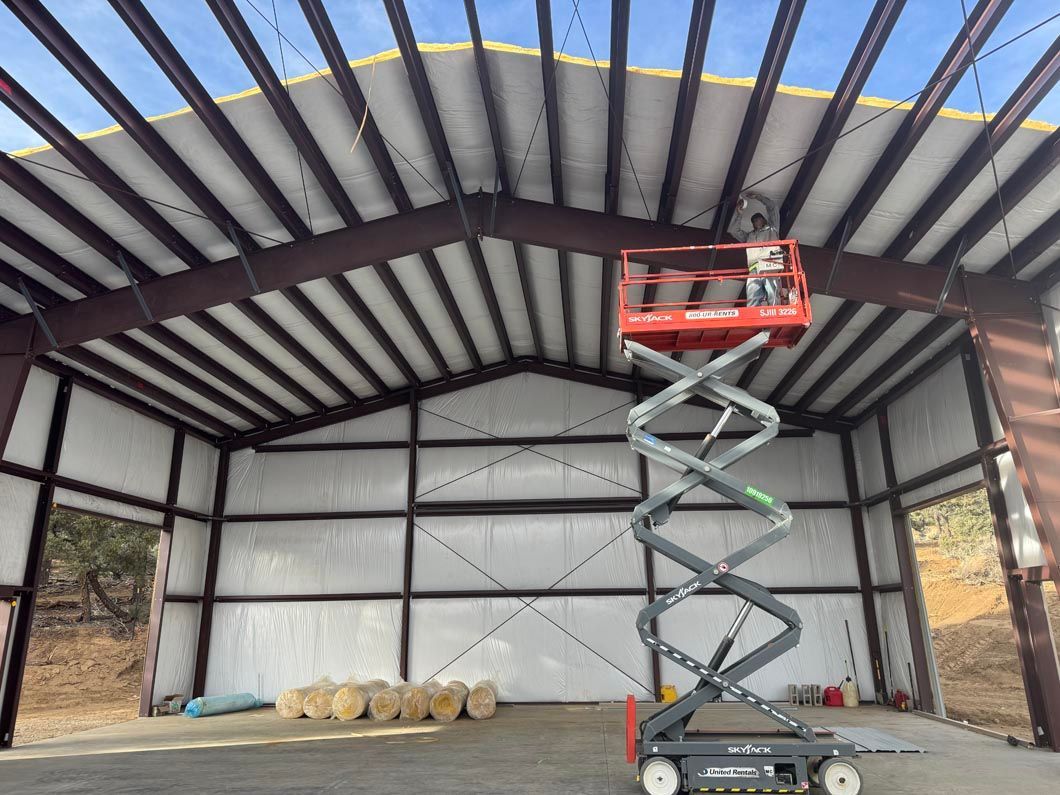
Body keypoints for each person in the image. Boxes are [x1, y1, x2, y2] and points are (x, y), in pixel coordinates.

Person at [727, 191, 784, 307]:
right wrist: (739, 214)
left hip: (770, 264)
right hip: (754, 268)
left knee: (772, 292)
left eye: (758, 219)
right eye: (753, 221)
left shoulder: (772, 229)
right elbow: (733, 230)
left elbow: (773, 208)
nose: (755, 221)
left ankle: (774, 314)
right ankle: (755, 318)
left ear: (764, 220)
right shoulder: (750, 236)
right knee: (753, 295)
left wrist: (758, 197)